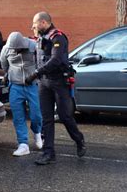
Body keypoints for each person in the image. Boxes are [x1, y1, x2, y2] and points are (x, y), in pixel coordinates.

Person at [25, 12, 86, 165]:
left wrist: (35, 74)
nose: (33, 26)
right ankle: (48, 153)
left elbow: (56, 59)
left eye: (35, 23)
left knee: (65, 116)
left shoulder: (58, 37)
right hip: (44, 83)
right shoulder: (40, 38)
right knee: (47, 118)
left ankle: (79, 140)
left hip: (59, 82)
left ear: (44, 22)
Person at [0, 32, 43, 156]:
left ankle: (37, 132)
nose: (16, 51)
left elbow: (40, 63)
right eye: (13, 49)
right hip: (15, 85)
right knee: (18, 116)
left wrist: (36, 76)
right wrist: (8, 74)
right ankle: (23, 144)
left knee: (36, 114)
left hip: (32, 85)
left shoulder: (33, 46)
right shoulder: (6, 49)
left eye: (18, 49)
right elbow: (4, 63)